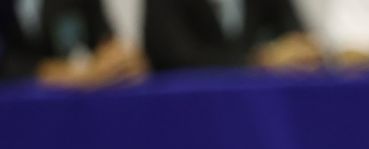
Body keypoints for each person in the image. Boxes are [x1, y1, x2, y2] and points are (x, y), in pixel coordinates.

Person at [142, 0, 320, 72]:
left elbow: (295, 37)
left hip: (259, 108)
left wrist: (301, 52)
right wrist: (259, 61)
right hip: (189, 111)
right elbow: (174, 57)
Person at [0, 0, 145, 86]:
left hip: (75, 108)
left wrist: (120, 62)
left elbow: (104, 39)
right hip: (16, 108)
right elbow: (8, 60)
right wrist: (63, 73)